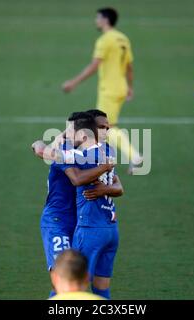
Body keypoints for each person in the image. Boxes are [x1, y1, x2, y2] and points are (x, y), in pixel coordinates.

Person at [31, 112, 114, 298]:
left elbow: (117, 184)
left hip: (81, 222)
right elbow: (75, 177)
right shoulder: (66, 151)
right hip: (57, 222)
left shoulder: (95, 151)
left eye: (70, 129)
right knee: (64, 280)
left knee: (77, 281)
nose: (66, 133)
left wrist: (106, 188)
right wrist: (39, 144)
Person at [62, 7, 143, 174]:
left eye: (98, 18)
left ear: (105, 20)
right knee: (108, 126)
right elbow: (129, 67)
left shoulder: (105, 40)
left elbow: (94, 66)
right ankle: (108, 157)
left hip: (109, 89)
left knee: (107, 127)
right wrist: (129, 87)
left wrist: (74, 82)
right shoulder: (123, 38)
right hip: (120, 87)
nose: (96, 21)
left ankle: (134, 156)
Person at [60, 114, 124, 299]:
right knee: (101, 288)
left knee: (74, 287)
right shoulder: (107, 151)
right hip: (111, 229)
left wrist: (42, 146)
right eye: (104, 127)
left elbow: (48, 154)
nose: (107, 130)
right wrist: (106, 187)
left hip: (90, 228)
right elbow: (119, 187)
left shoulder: (84, 156)